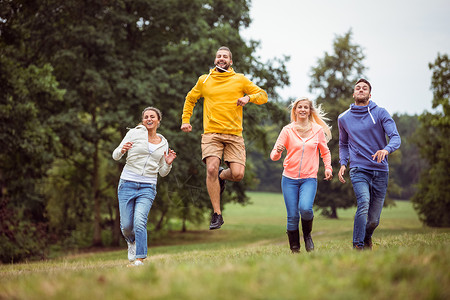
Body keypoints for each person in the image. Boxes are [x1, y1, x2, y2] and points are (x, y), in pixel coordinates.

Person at [180, 46, 268, 230]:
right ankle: (217, 214)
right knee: (210, 168)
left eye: (225, 56)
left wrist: (248, 98)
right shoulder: (205, 80)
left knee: (237, 174)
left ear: (231, 61)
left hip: (234, 135)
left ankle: (222, 175)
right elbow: (190, 98)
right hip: (211, 133)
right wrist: (185, 120)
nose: (221, 58)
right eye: (219, 56)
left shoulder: (239, 79)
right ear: (215, 60)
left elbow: (263, 95)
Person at [338, 79, 401, 250]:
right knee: (363, 202)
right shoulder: (343, 118)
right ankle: (358, 246)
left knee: (373, 220)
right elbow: (343, 144)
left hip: (381, 170)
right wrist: (343, 163)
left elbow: (395, 137)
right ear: (353, 93)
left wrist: (386, 150)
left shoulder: (380, 113)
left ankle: (366, 238)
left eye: (364, 88)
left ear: (369, 94)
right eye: (357, 87)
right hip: (358, 169)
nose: (360, 89)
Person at [112, 107, 177, 266]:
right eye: (146, 116)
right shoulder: (134, 133)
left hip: (148, 186)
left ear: (158, 120)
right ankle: (131, 241)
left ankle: (140, 258)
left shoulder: (163, 142)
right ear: (143, 120)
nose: (149, 119)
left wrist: (168, 164)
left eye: (152, 116)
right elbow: (115, 155)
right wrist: (122, 149)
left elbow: (162, 172)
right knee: (127, 226)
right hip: (127, 183)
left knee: (140, 221)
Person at [270, 97, 333, 253]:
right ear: (295, 110)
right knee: (292, 216)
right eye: (300, 107)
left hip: (309, 178)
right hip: (289, 179)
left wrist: (328, 167)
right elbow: (273, 156)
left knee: (305, 209)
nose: (303, 109)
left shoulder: (317, 130)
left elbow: (325, 151)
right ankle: (295, 248)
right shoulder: (287, 130)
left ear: (310, 111)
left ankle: (307, 236)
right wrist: (277, 151)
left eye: (306, 107)